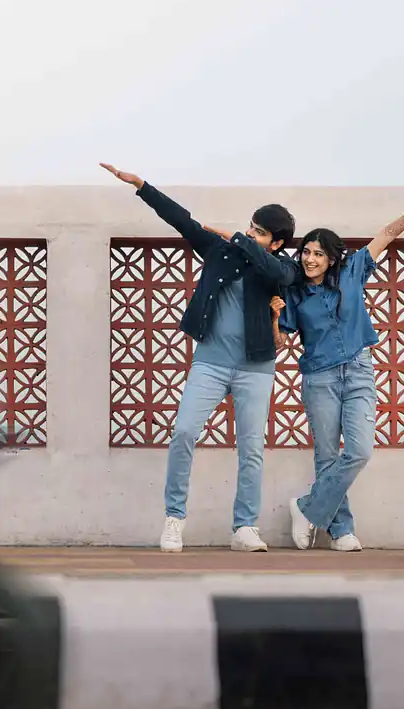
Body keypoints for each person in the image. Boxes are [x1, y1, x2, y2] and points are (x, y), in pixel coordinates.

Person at [100, 162, 301, 553]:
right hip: (211, 362)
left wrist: (241, 240)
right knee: (184, 433)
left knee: (251, 449)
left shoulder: (281, 267)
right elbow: (182, 221)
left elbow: (279, 274)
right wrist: (142, 185)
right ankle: (174, 519)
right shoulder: (221, 251)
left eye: (260, 232)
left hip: (256, 367)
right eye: (250, 227)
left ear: (276, 243)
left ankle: (245, 527)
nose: (250, 234)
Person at [273, 177, 404, 552]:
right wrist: (274, 315)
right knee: (327, 455)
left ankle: (306, 508)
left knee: (360, 451)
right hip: (319, 377)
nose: (310, 259)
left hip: (358, 371)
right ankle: (341, 531)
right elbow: (280, 341)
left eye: (318, 254)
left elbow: (387, 234)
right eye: (306, 253)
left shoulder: (352, 271)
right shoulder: (294, 291)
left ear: (332, 258)